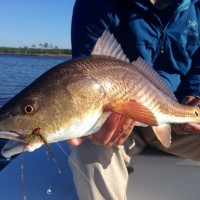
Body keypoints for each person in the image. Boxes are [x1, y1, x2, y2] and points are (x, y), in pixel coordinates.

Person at [68, 0, 200, 199]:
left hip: (177, 116)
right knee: (90, 155)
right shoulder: (95, 4)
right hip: (117, 117)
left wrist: (194, 96)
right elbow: (89, 72)